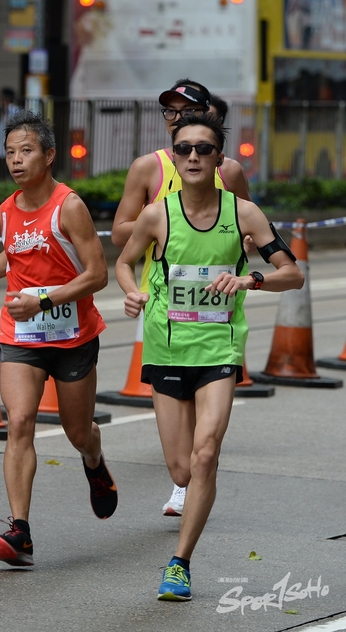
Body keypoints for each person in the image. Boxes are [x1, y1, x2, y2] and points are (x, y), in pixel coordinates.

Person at [115, 112, 304, 601]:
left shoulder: (245, 214)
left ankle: (179, 564)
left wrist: (249, 279)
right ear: (175, 157)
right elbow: (123, 261)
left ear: (220, 158)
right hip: (166, 347)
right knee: (181, 469)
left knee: (205, 455)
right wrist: (132, 292)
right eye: (184, 149)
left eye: (204, 148)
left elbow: (293, 273)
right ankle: (184, 510)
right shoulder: (157, 215)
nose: (194, 156)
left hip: (220, 347)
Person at [0, 110, 118, 567]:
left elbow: (98, 274)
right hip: (22, 333)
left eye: (27, 150)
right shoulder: (5, 211)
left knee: (78, 431)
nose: (16, 160)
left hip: (73, 335)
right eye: (10, 152)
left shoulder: (68, 206)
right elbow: (13, 256)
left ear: (49, 155)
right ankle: (21, 532)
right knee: (18, 422)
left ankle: (94, 460)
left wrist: (45, 301)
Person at [111, 78, 252, 518]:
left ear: (209, 116)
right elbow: (119, 234)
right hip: (161, 303)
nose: (175, 117)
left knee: (203, 425)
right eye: (169, 111)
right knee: (179, 416)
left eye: (185, 110)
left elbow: (249, 227)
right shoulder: (147, 168)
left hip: (215, 310)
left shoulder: (228, 171)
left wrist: (239, 255)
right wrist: (165, 218)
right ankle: (185, 477)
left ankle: (191, 481)